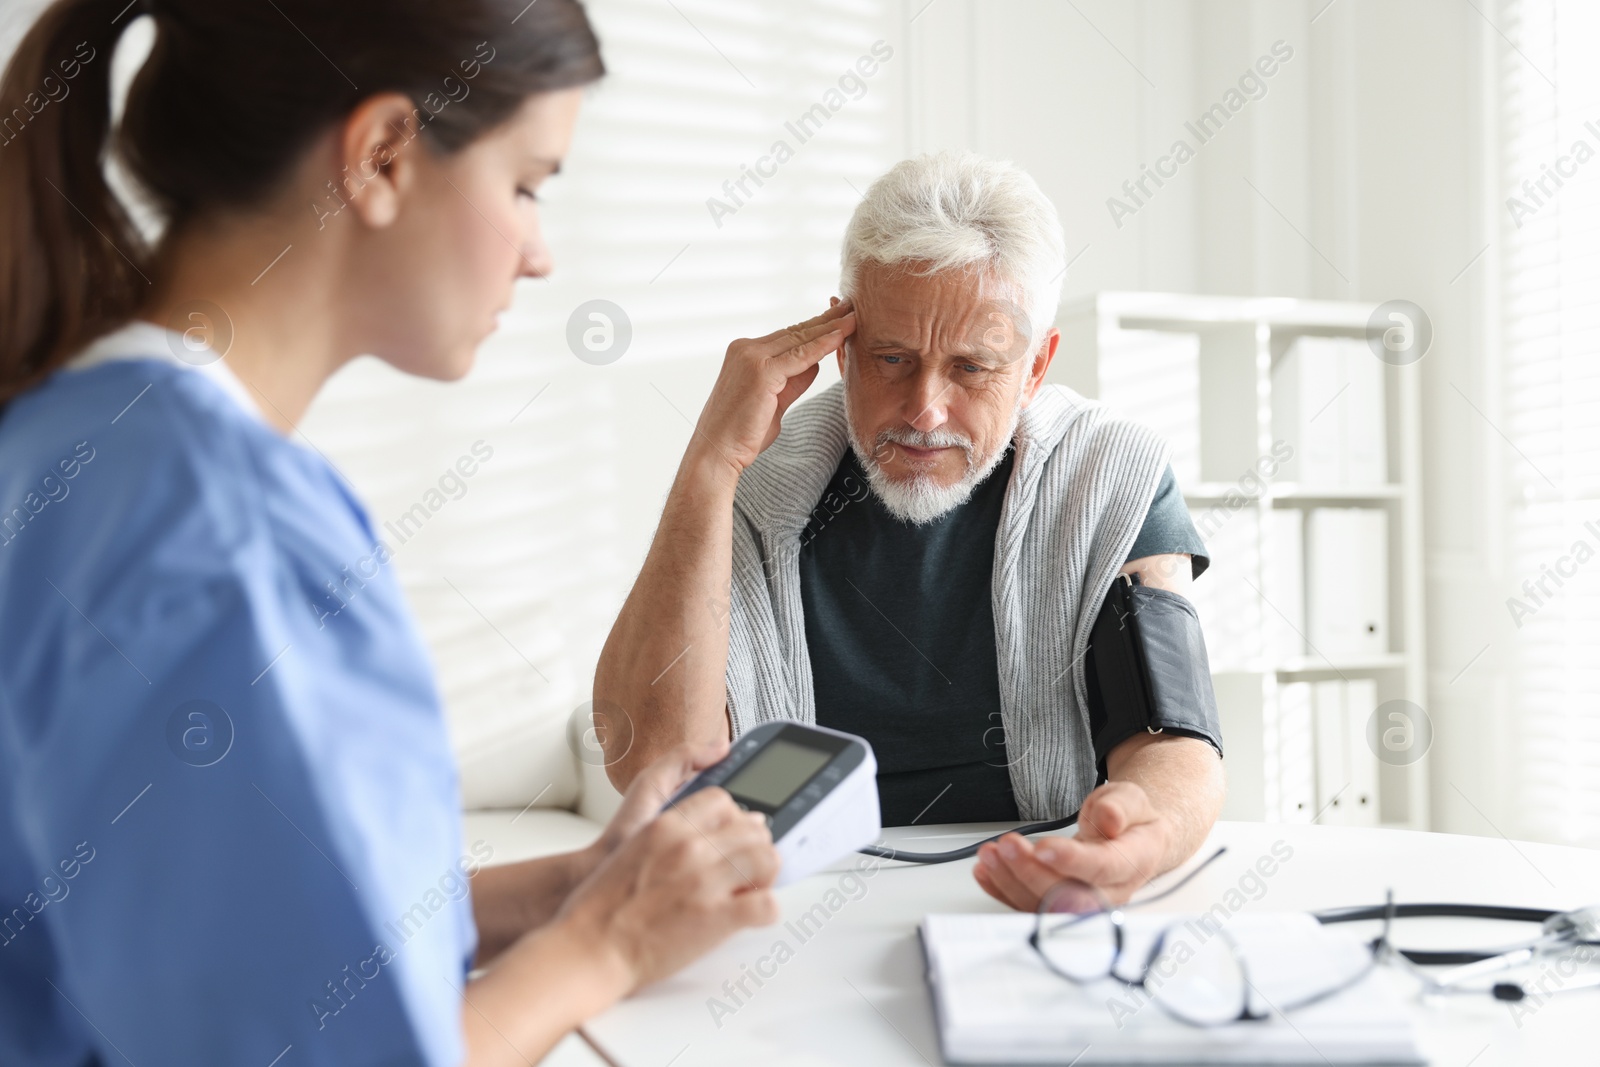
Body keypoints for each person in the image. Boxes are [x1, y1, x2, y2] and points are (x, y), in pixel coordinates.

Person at [0, 2, 788, 1064]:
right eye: (525, 186)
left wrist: (573, 884)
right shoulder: (223, 529)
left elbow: (226, 929)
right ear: (380, 156)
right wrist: (609, 941)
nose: (540, 254)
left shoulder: (70, 440)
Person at [594, 152, 1226, 912]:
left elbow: (1173, 740)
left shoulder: (1112, 475)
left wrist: (1140, 841)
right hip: (796, 897)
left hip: (1027, 891)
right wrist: (709, 465)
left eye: (971, 368)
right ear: (840, 342)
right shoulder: (754, 487)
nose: (924, 410)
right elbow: (652, 763)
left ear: (1035, 367)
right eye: (893, 358)